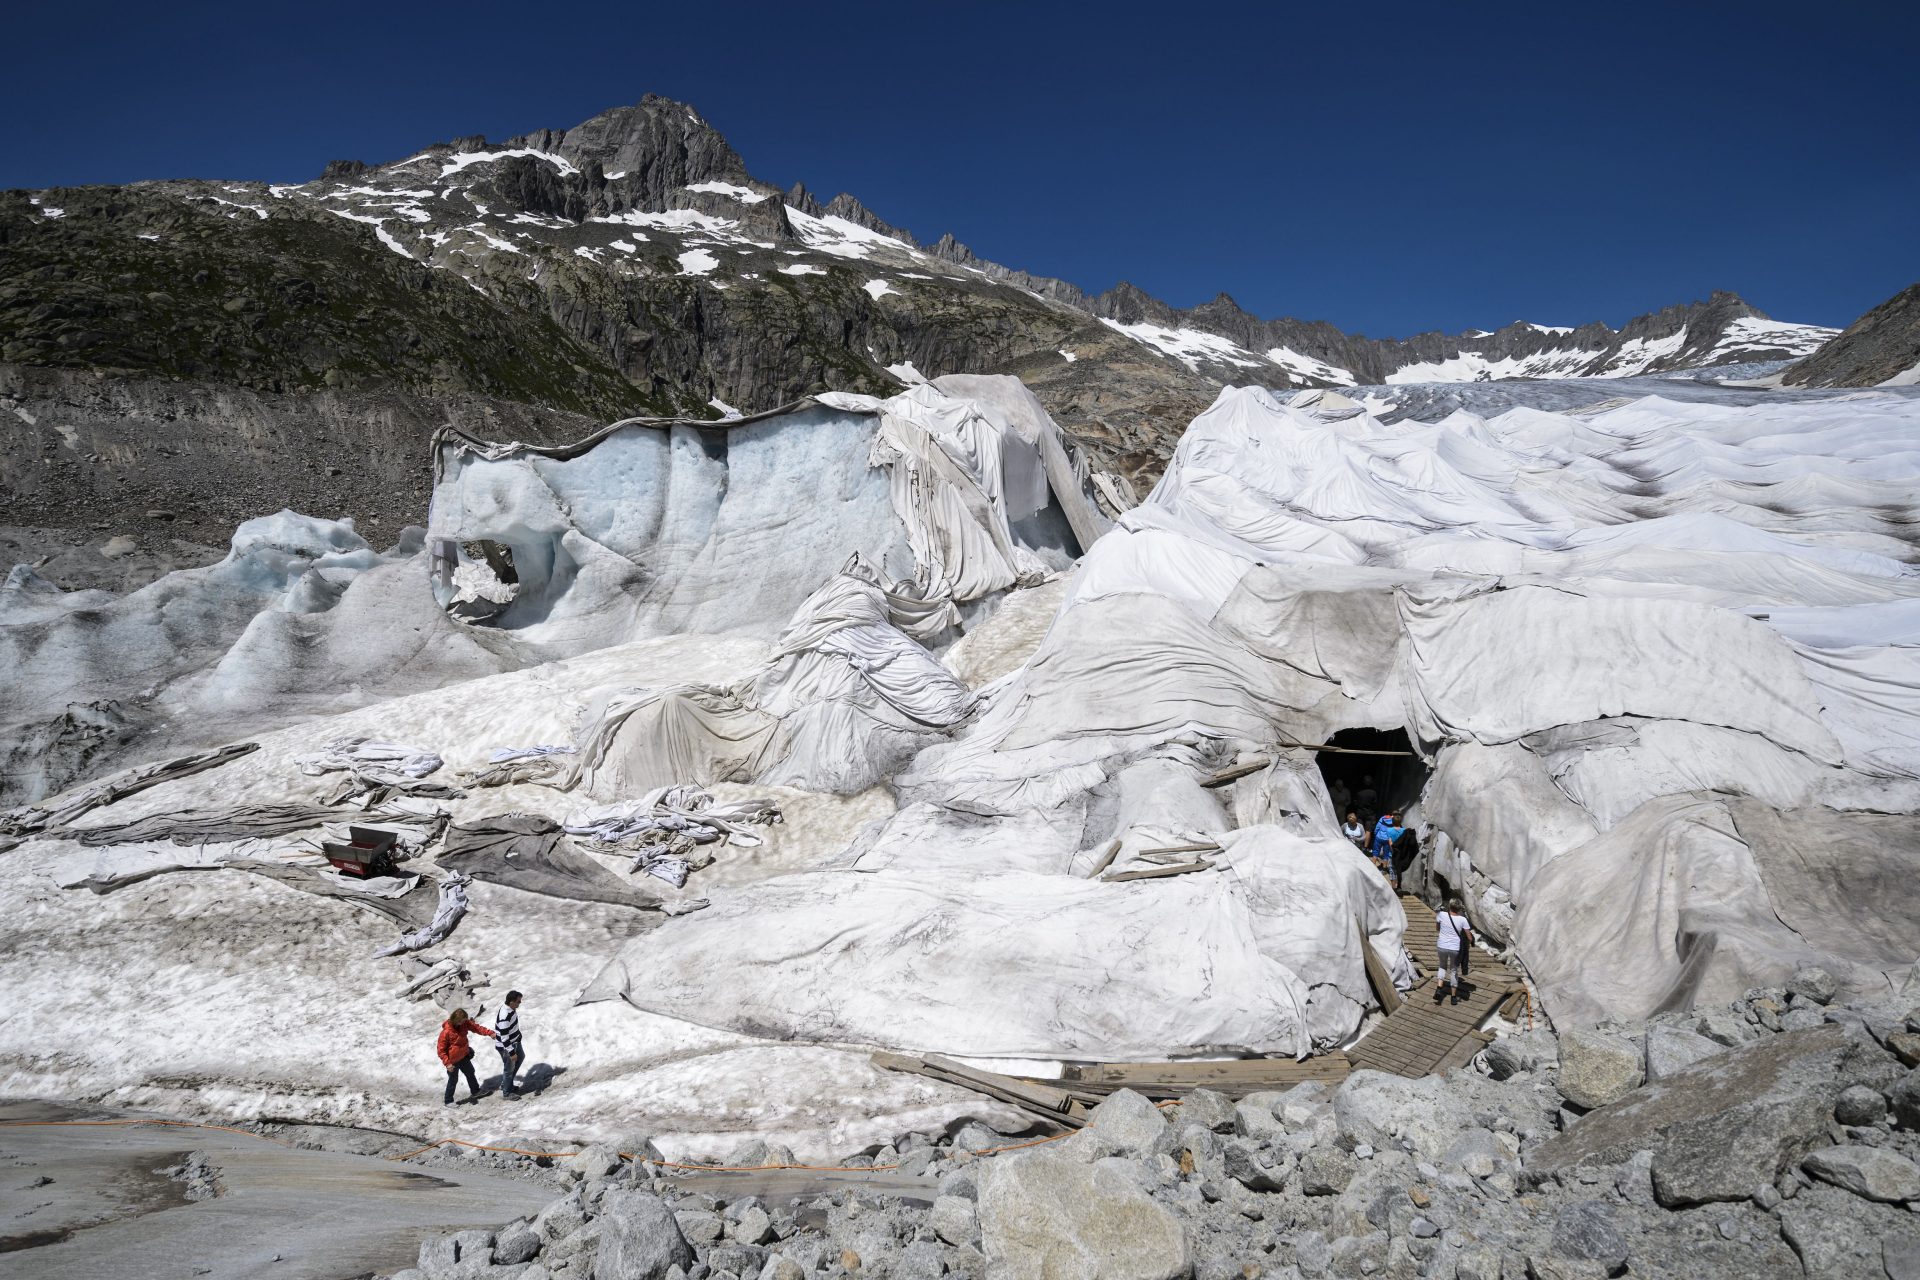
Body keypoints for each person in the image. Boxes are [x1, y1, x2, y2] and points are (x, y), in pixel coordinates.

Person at [437, 1007, 497, 1105]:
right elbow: (441, 1050)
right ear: (456, 1020)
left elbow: (477, 1028)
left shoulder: (464, 1024)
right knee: (453, 1080)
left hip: (463, 1056)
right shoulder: (446, 1032)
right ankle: (448, 1101)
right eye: (462, 1021)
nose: (464, 1023)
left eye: (465, 1020)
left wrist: (490, 1033)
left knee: (470, 1073)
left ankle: (476, 1091)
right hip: (452, 1061)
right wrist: (447, 1064)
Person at [1434, 898, 1473, 1005]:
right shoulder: (1463, 920)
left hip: (1441, 945)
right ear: (1459, 908)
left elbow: (1437, 928)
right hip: (1455, 948)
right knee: (1454, 970)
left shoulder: (1441, 914)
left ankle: (1439, 988)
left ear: (1449, 906)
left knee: (1442, 966)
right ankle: (1453, 997)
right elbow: (1469, 937)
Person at [494, 990, 526, 1099]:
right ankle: (507, 1093)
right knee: (509, 1069)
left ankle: (506, 1084)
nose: (519, 1003)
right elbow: (504, 1038)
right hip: (507, 1046)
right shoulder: (505, 1015)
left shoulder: (511, 1009)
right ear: (511, 1002)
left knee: (521, 1057)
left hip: (515, 1041)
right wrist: (511, 1052)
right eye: (518, 1001)